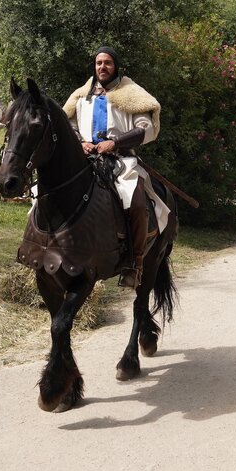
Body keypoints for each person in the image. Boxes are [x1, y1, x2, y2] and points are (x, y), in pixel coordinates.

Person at [62, 46, 168, 289]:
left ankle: (135, 262)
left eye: (107, 63)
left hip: (121, 161)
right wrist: (81, 142)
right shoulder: (81, 95)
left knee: (138, 202)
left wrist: (115, 142)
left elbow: (146, 128)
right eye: (99, 63)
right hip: (86, 159)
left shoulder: (132, 93)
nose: (102, 67)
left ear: (116, 66)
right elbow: (68, 123)